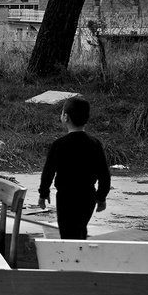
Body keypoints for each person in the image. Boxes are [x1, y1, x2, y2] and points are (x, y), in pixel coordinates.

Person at [38, 96, 111, 239]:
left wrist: (43, 193)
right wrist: (101, 197)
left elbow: (48, 172)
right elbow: (104, 174)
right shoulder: (94, 144)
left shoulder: (59, 145)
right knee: (80, 230)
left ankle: (74, 260)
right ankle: (81, 257)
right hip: (87, 197)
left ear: (65, 117)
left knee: (69, 235)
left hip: (67, 198)